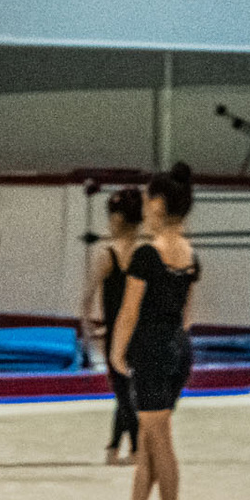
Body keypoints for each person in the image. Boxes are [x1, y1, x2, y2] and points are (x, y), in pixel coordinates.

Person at [109, 163, 201, 500]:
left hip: (151, 350)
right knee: (150, 439)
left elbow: (129, 311)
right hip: (178, 349)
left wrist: (116, 352)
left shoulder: (148, 254)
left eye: (148, 200)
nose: (144, 207)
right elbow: (187, 314)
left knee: (159, 442)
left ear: (159, 204)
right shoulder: (190, 254)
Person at [83, 187, 145, 466]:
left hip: (118, 333)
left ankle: (133, 448)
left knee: (124, 391)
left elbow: (86, 299)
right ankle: (116, 447)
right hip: (140, 330)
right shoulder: (147, 253)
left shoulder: (107, 254)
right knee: (128, 391)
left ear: (116, 219)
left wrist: (88, 335)